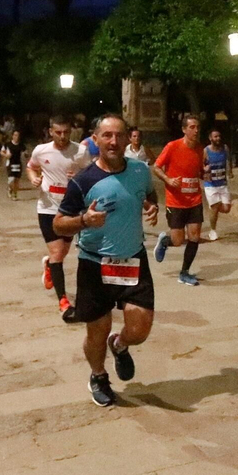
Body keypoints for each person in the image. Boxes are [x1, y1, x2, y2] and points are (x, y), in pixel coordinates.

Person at [52, 114, 161, 408]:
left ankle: (120, 344)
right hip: (94, 264)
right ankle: (98, 376)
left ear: (128, 139)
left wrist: (152, 207)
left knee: (140, 330)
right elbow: (59, 225)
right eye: (107, 136)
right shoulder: (83, 181)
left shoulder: (139, 170)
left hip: (133, 260)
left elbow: (148, 195)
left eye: (119, 135)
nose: (114, 142)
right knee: (96, 330)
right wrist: (84, 220)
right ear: (96, 139)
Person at [29, 116, 90, 319]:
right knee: (57, 253)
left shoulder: (80, 152)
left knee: (62, 252)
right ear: (50, 131)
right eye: (58, 132)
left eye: (66, 132)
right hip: (47, 207)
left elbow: (90, 173)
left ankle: (49, 265)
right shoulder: (41, 150)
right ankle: (63, 301)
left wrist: (79, 177)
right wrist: (34, 178)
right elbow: (31, 166)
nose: (63, 136)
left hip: (70, 209)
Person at [152, 114, 208, 285]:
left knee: (194, 236)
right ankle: (165, 240)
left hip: (194, 200)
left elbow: (199, 171)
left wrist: (205, 173)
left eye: (197, 127)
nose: (196, 130)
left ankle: (184, 272)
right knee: (178, 240)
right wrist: (168, 180)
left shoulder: (200, 149)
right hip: (175, 201)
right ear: (184, 129)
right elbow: (156, 167)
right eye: (192, 127)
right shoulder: (172, 146)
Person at [202, 127, 233, 241]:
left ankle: (213, 208)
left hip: (222, 183)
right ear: (210, 138)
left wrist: (230, 171)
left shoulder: (225, 148)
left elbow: (228, 160)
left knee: (226, 208)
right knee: (215, 206)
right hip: (210, 184)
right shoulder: (206, 151)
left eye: (219, 136)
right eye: (215, 136)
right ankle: (212, 230)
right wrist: (205, 168)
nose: (218, 138)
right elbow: (200, 165)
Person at [3, 129, 25, 201]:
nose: (16, 137)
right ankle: (10, 188)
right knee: (11, 180)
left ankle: (15, 194)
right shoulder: (8, 144)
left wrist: (25, 154)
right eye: (15, 135)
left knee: (17, 181)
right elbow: (1, 151)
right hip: (10, 164)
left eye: (18, 135)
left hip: (18, 164)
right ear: (12, 136)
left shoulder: (21, 145)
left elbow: (26, 152)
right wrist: (6, 155)